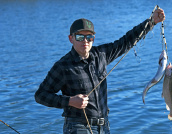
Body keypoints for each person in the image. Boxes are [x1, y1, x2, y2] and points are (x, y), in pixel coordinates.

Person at [35, 8, 165, 134]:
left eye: (89, 37)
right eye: (80, 37)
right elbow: (40, 95)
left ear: (93, 38)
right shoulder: (63, 66)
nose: (85, 41)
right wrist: (69, 101)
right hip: (77, 127)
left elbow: (126, 41)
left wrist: (151, 21)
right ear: (71, 38)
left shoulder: (101, 54)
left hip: (104, 126)